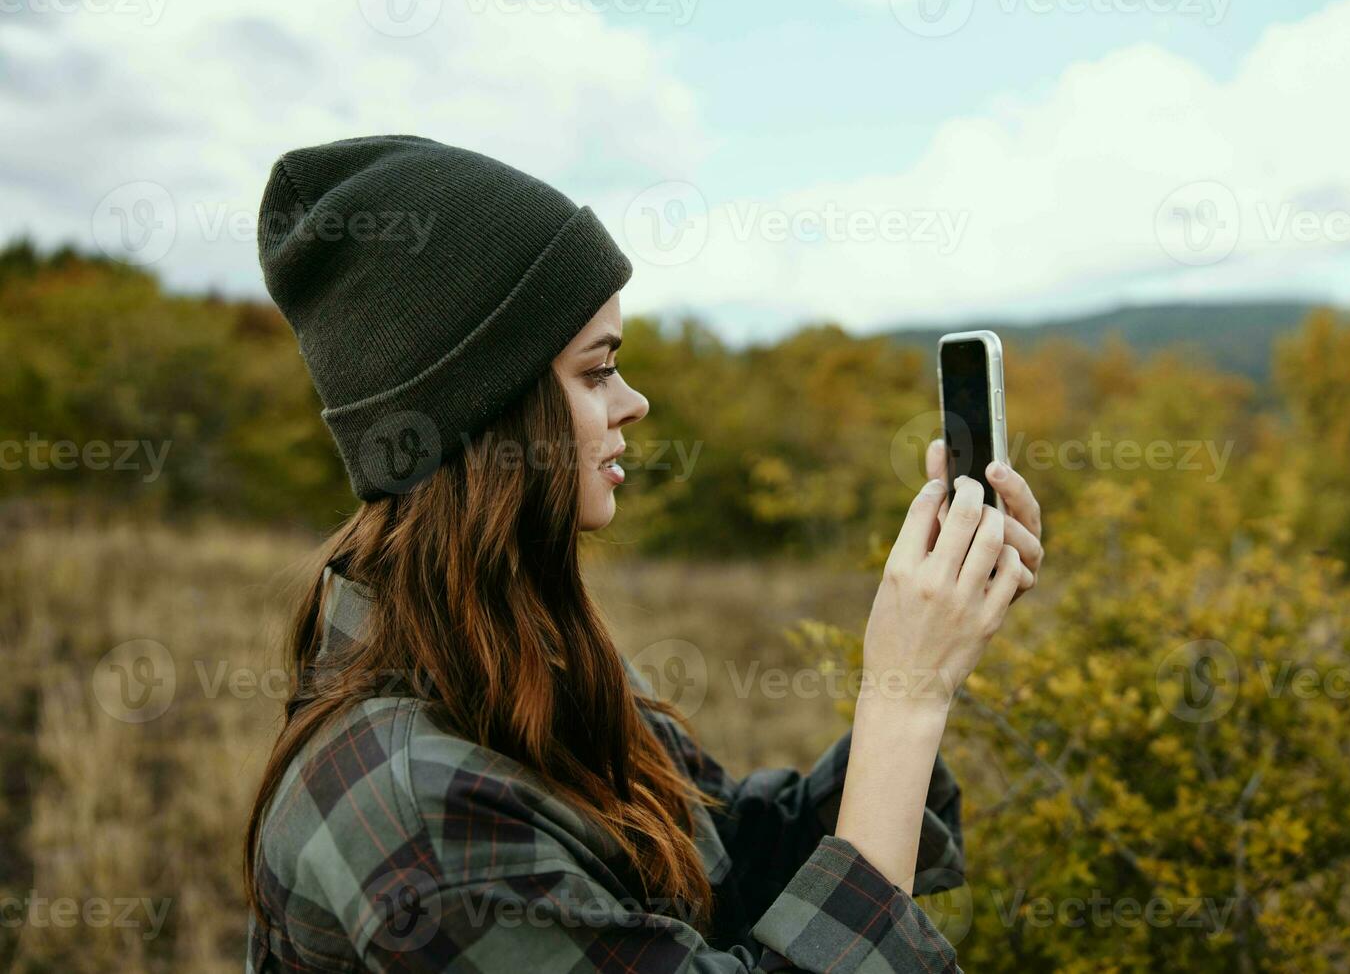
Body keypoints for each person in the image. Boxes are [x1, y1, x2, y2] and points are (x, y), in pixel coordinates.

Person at [243, 135, 1043, 973]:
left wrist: (939, 634)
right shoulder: (423, 823)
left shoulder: (521, 643)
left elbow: (729, 859)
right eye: (597, 372)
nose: (635, 401)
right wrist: (900, 697)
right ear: (486, 413)